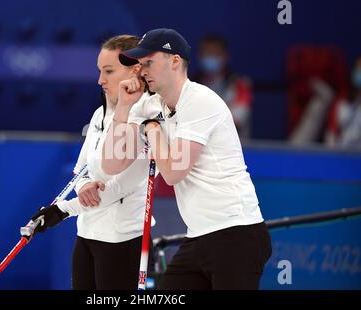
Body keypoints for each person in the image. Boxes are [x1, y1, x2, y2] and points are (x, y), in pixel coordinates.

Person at [102, 28, 271, 290]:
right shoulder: (150, 105)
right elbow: (112, 164)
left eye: (148, 63)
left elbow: (173, 173)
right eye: (140, 65)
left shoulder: (200, 100)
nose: (141, 71)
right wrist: (124, 107)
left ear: (175, 61)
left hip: (237, 233)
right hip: (198, 237)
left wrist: (151, 128)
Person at [30, 35, 155, 290]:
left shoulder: (148, 116)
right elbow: (81, 169)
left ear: (135, 70)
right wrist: (83, 186)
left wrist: (64, 210)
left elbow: (122, 186)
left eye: (108, 71)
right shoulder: (100, 113)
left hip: (123, 239)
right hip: (88, 233)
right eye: (100, 71)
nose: (100, 80)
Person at [195, 34, 253, 140]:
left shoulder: (240, 84)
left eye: (216, 54)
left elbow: (237, 118)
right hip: (198, 146)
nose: (211, 57)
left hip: (235, 147)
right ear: (200, 56)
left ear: (226, 56)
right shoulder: (189, 84)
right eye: (207, 53)